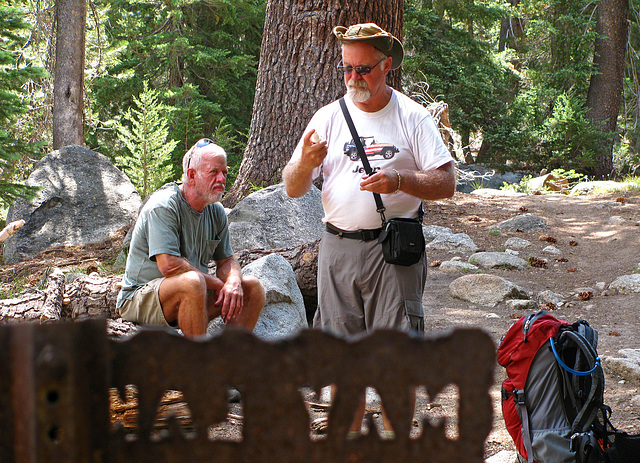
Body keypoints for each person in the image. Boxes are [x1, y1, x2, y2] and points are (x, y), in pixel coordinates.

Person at [283, 22, 456, 337]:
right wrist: (305, 164)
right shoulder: (327, 118)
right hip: (337, 252)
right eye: (346, 68)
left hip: (393, 251)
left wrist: (400, 180)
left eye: (362, 69)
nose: (352, 78)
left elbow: (446, 183)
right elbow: (293, 188)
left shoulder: (412, 117)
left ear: (386, 65)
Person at [116, 139, 265, 338]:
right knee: (192, 282)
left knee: (252, 287)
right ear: (191, 175)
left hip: (193, 295)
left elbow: (227, 261)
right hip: (140, 299)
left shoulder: (216, 210)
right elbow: (169, 266)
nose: (221, 178)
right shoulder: (164, 206)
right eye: (214, 172)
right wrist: (221, 285)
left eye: (224, 172)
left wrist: (234, 283)